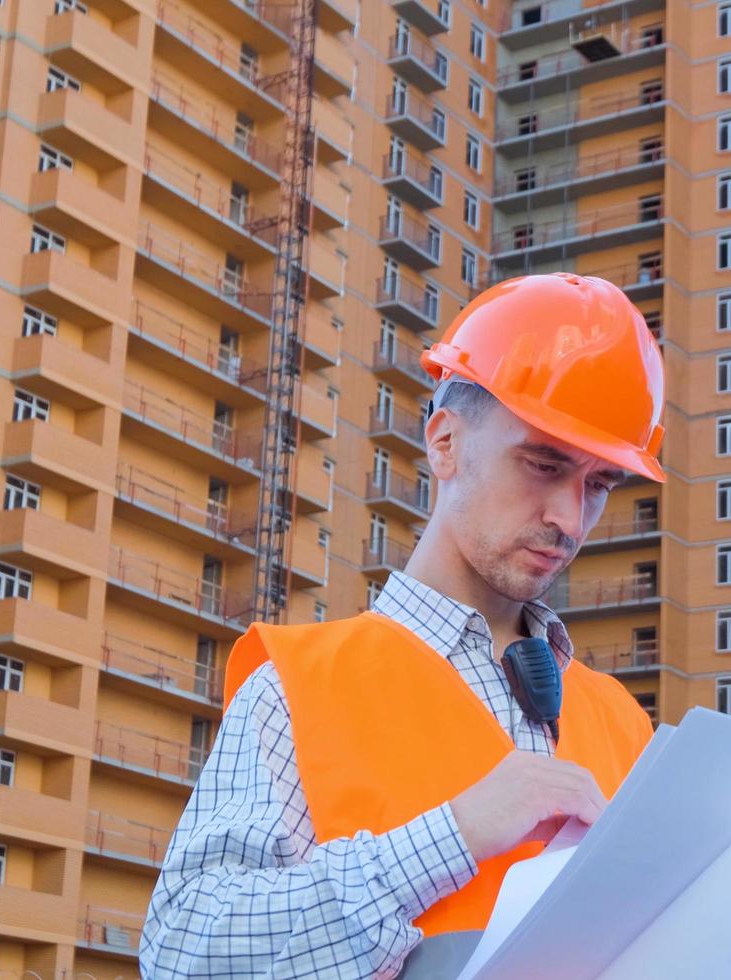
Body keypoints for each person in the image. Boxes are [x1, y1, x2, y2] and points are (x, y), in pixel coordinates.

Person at [139, 273, 666, 978]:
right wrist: (449, 839)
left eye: (599, 484)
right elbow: (183, 952)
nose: (570, 521)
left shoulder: (623, 725)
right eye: (543, 464)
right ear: (445, 443)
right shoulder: (298, 689)